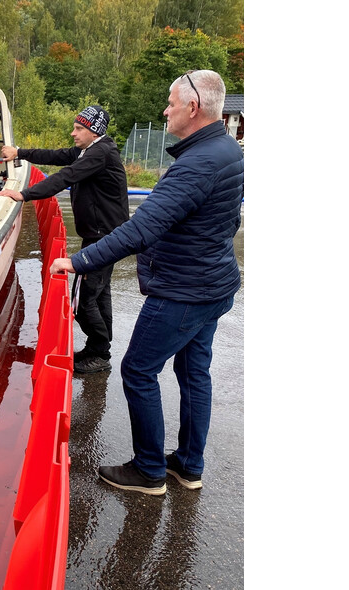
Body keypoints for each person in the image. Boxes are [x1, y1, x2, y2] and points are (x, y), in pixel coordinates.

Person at [49, 70, 243, 495]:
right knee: (194, 373)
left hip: (183, 291)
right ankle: (188, 465)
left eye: (171, 102)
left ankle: (149, 470)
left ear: (193, 108)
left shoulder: (197, 163)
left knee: (137, 370)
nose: (165, 109)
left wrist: (78, 261)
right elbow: (230, 219)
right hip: (214, 283)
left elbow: (139, 230)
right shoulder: (227, 149)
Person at [0, 105, 129, 374]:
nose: (73, 133)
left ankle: (100, 354)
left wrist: (23, 195)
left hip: (104, 237)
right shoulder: (89, 150)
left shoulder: (100, 153)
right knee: (99, 294)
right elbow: (56, 156)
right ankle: (98, 350)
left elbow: (65, 176)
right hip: (103, 235)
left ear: (95, 131)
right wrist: (20, 152)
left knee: (83, 300)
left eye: (79, 128)